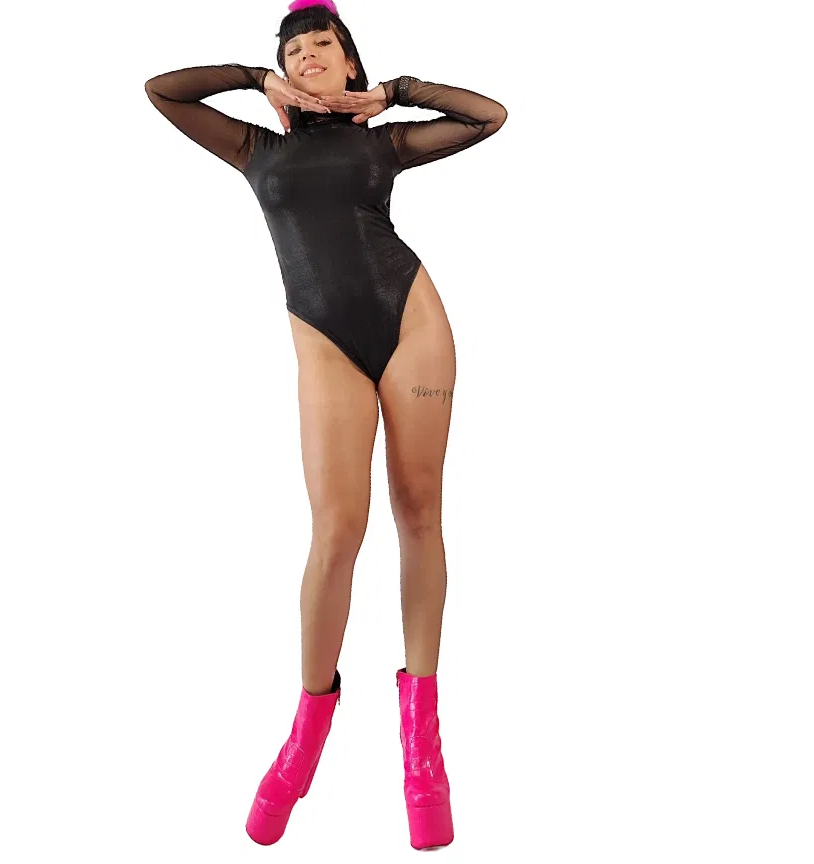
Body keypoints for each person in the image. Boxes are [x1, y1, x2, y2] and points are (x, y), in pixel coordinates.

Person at [144, 0, 506, 849]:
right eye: (294, 50)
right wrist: (251, 79)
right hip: (326, 341)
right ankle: (305, 734)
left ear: (349, 65)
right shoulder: (255, 148)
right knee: (337, 530)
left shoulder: (383, 143)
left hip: (413, 324)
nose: (308, 54)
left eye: (324, 45)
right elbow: (162, 91)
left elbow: (488, 116)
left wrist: (395, 93)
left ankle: (423, 750)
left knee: (419, 513)